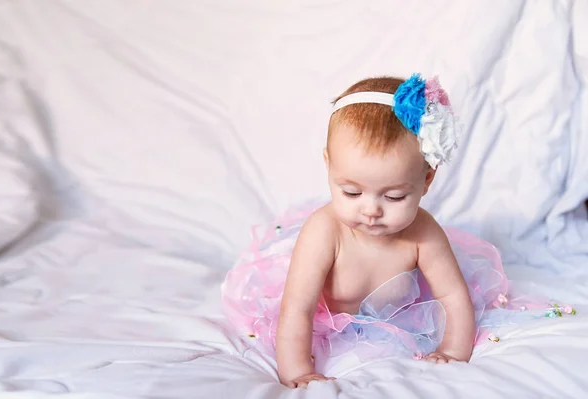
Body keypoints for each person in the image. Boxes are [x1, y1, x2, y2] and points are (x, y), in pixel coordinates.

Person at [221, 74, 571, 389]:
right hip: (326, 318)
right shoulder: (324, 231)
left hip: (397, 315)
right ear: (329, 166)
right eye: (351, 192)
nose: (371, 209)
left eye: (394, 196)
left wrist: (452, 350)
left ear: (426, 180)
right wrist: (297, 371)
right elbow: (297, 309)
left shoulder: (423, 233)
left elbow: (453, 296)